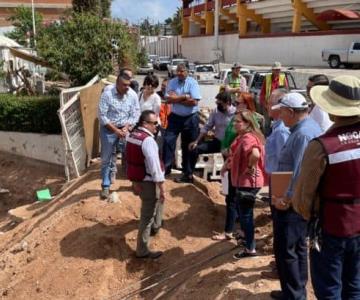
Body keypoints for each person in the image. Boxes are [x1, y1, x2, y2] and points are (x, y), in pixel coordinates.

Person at [292, 75, 360, 299]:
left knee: (330, 289)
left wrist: (308, 217)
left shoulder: (322, 146)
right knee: (355, 286)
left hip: (332, 226)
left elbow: (303, 199)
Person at [269, 92, 322, 300]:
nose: (280, 116)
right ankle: (295, 291)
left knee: (288, 250)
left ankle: (294, 295)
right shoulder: (302, 129)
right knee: (297, 247)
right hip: (294, 199)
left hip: (292, 204)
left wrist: (287, 198)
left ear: (291, 112)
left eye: (282, 112)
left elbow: (301, 170)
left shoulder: (302, 134)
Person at [226, 110, 266, 259]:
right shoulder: (243, 136)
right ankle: (246, 240)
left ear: (248, 123)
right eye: (234, 121)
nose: (235, 124)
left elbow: (255, 154)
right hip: (244, 181)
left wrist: (250, 168)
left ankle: (250, 248)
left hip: (248, 183)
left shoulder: (248, 138)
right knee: (243, 213)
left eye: (238, 122)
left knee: (246, 215)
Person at [126, 110, 165, 259]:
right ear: (145, 123)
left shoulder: (132, 136)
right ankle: (142, 250)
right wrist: (162, 188)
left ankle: (157, 225)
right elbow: (155, 168)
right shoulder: (148, 141)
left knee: (155, 205)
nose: (157, 126)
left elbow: (129, 158)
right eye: (154, 123)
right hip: (148, 182)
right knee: (147, 216)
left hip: (138, 180)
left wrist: (134, 181)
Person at [261, 89, 290, 280]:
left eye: (270, 102)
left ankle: (283, 270)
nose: (267, 106)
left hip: (280, 182)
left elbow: (284, 163)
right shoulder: (277, 126)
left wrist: (281, 193)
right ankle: (280, 264)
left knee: (282, 228)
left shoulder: (281, 131)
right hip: (276, 180)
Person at [98, 69, 140, 199]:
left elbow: (136, 113)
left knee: (131, 156)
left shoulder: (132, 94)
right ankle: (105, 186)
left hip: (126, 129)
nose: (127, 88)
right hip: (109, 130)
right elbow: (102, 115)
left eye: (128, 85)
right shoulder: (107, 94)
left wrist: (127, 127)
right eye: (124, 85)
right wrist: (116, 130)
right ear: (117, 83)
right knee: (106, 158)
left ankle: (134, 182)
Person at [162, 63, 201, 183]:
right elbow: (168, 100)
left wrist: (176, 98)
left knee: (188, 146)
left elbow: (194, 102)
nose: (180, 73)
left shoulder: (193, 83)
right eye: (178, 71)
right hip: (175, 117)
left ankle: (187, 173)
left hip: (191, 117)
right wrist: (184, 96)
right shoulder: (172, 82)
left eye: (182, 71)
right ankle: (166, 168)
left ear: (187, 72)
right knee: (168, 141)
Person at [188, 91, 235, 177]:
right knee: (194, 149)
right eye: (217, 103)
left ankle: (229, 186)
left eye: (220, 103)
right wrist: (196, 141)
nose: (218, 106)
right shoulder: (215, 112)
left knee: (229, 166)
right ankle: (189, 175)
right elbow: (207, 126)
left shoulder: (236, 113)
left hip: (230, 145)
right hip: (217, 142)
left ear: (228, 102)